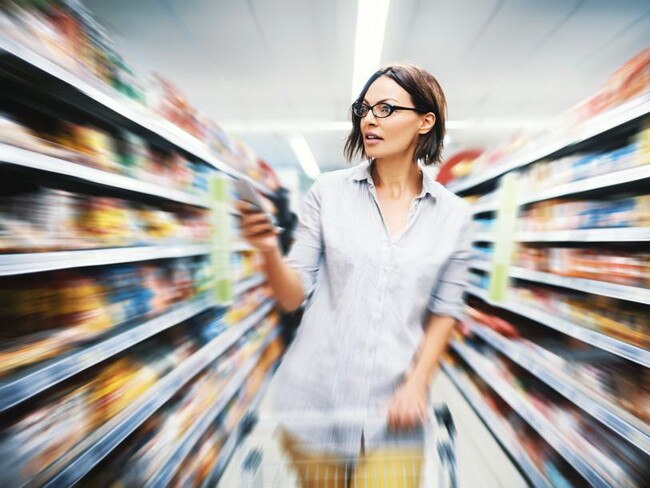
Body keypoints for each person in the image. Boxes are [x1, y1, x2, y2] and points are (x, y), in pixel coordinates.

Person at [236, 64, 471, 488]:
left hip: (394, 412)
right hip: (315, 402)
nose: (369, 119)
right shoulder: (328, 193)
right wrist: (268, 250)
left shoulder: (454, 216)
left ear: (425, 121)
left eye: (386, 108)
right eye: (364, 108)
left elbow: (444, 312)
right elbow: (292, 297)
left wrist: (418, 384)